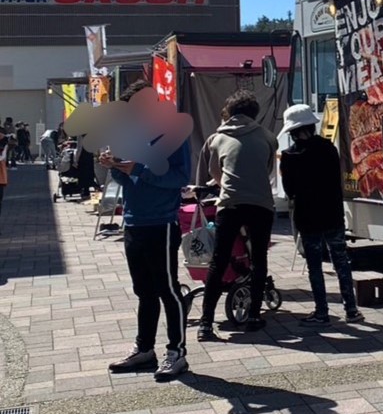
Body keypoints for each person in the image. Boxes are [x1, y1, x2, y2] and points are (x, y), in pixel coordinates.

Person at [101, 80, 191, 381]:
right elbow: (129, 183)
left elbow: (179, 178)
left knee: (168, 289)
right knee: (144, 291)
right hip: (134, 221)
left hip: (162, 222)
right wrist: (115, 166)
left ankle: (176, 352)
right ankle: (144, 349)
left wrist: (136, 169)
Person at [195, 90, 278, 341]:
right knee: (259, 258)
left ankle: (206, 323)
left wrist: (228, 186)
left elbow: (214, 172)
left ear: (229, 113)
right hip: (261, 204)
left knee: (218, 261)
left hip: (230, 204)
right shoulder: (267, 136)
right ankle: (253, 315)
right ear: (255, 113)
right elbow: (267, 170)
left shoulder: (216, 138)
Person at [278, 104, 364, 325]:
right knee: (341, 262)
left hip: (308, 217)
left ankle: (322, 312)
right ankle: (352, 310)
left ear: (294, 132)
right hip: (332, 213)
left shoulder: (289, 157)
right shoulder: (328, 149)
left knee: (315, 266)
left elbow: (290, 191)